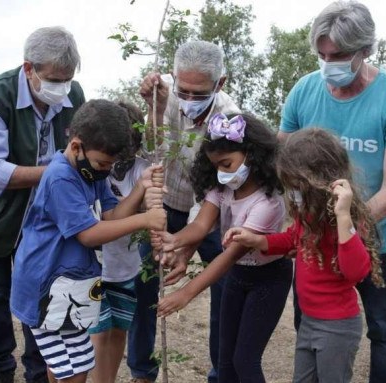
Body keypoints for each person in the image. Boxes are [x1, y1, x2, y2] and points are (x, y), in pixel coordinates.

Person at [278, 2, 386, 381]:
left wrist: (344, 227)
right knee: (309, 321)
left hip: (376, 236)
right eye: (322, 55)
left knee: (384, 329)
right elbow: (283, 162)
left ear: (366, 50)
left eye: (339, 55)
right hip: (314, 238)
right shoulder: (304, 92)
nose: (328, 64)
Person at [0, 26, 84, 383]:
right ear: (29, 68)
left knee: (40, 293)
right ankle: (0, 371)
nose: (62, 87)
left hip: (42, 221)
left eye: (68, 79)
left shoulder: (74, 99)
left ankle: (38, 373)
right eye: (54, 78)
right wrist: (56, 172)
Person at [9, 99, 165, 383]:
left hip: (73, 283)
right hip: (47, 286)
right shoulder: (61, 178)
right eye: (103, 163)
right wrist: (144, 220)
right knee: (70, 370)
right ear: (77, 145)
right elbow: (89, 234)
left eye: (111, 164)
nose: (107, 170)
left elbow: (111, 215)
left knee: (76, 364)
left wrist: (141, 187)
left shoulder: (92, 173)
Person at [225, 128, 383, 383]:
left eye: (298, 186)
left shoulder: (345, 219)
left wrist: (343, 217)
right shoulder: (309, 215)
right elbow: (292, 238)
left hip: (337, 327)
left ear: (320, 182)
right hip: (309, 321)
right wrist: (258, 240)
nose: (293, 194)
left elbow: (356, 271)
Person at [133, 40, 240, 383]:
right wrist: (156, 109)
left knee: (225, 285)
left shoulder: (229, 117)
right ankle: (142, 372)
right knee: (144, 282)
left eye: (200, 93)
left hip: (209, 209)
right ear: (174, 77)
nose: (190, 100)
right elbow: (150, 155)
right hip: (163, 202)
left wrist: (188, 243)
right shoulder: (160, 94)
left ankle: (221, 373)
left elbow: (212, 187)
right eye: (185, 91)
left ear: (219, 84)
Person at [155, 113, 288, 382]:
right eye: (216, 166)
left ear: (251, 154)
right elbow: (201, 226)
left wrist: (186, 294)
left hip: (268, 280)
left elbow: (229, 255)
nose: (223, 173)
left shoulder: (267, 204)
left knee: (245, 360)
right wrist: (173, 240)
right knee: (225, 361)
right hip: (238, 277)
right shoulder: (222, 189)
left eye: (227, 164)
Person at [88, 101, 151, 383]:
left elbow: (149, 204)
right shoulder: (95, 170)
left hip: (127, 266)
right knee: (99, 331)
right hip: (98, 266)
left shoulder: (141, 169)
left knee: (118, 329)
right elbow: (105, 216)